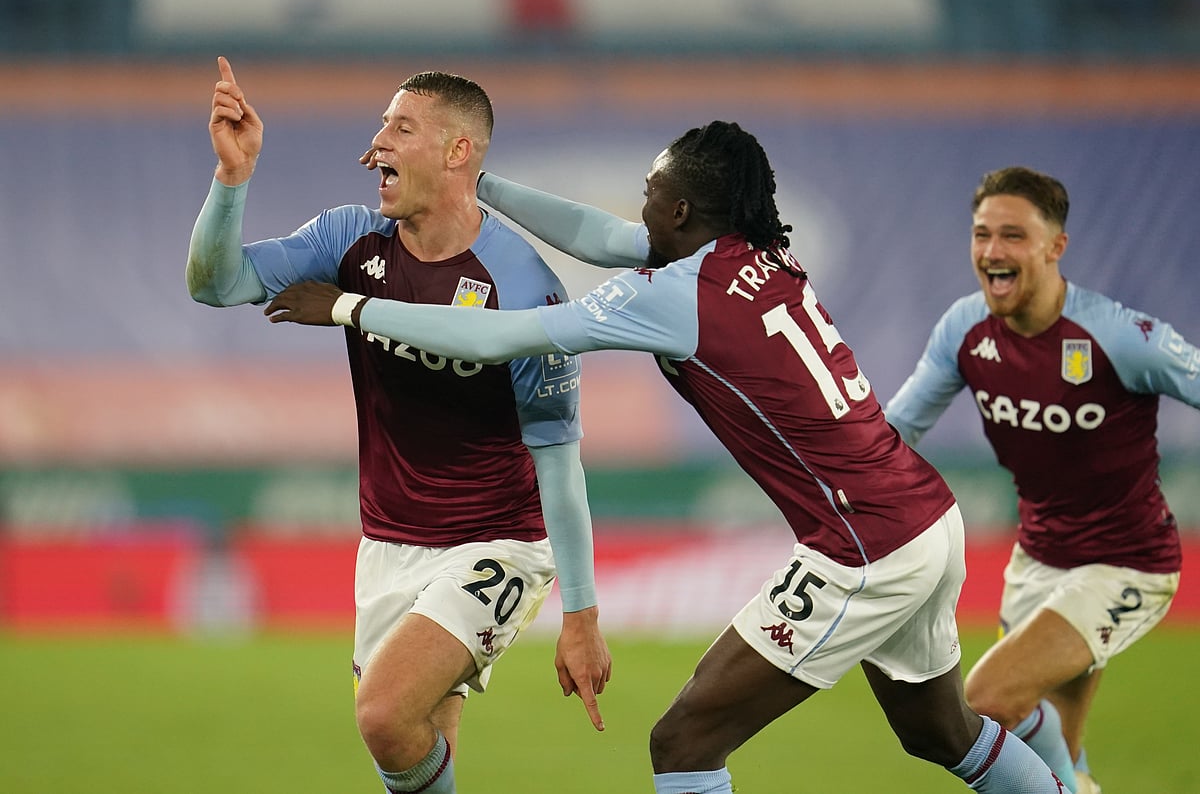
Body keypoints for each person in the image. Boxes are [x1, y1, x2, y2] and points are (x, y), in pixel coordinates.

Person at [264, 121, 1067, 793]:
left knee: (683, 742)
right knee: (941, 731)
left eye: (649, 192)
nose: (635, 207)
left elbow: (500, 335)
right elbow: (605, 236)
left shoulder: (672, 295)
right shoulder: (760, 255)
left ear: (679, 208)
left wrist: (348, 306)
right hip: (927, 520)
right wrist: (481, 185)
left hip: (862, 548)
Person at [187, 57, 612, 794]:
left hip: (496, 543)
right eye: (382, 123)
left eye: (400, 127)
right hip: (387, 545)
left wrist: (581, 615)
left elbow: (559, 459)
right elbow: (216, 284)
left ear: (458, 153)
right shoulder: (352, 239)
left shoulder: (523, 286)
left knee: (383, 714)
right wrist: (233, 180)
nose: (375, 142)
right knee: (411, 744)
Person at [885, 166, 1200, 794]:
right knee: (1055, 755)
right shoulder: (964, 330)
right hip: (1038, 562)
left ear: (1056, 247)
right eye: (981, 235)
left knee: (986, 700)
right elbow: (895, 433)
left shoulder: (1117, 336)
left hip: (1126, 564)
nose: (992, 252)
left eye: (1012, 236)